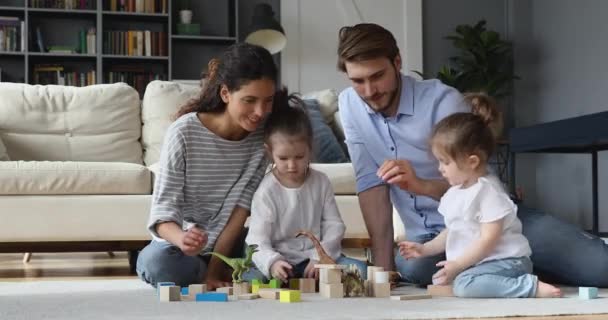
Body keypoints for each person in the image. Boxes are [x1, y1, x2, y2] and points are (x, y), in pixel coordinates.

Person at [337, 22, 608, 287]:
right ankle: (511, 268)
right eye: (358, 81)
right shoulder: (350, 105)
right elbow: (370, 184)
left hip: (495, 218)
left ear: (397, 62)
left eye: (377, 76)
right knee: (414, 266)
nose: (369, 91)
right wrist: (384, 273)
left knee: (599, 269)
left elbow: (478, 183)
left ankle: (515, 262)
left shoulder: (442, 101)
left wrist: (420, 185)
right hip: (437, 237)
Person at [136, 43, 278, 290]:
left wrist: (213, 270)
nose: (260, 112)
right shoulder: (184, 132)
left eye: (268, 101)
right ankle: (225, 276)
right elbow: (162, 215)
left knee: (273, 254)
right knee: (157, 263)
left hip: (229, 245)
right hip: (181, 249)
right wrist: (183, 239)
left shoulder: (260, 140)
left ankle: (212, 275)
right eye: (249, 100)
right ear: (225, 94)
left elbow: (238, 214)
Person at [399, 93, 561, 298]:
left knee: (465, 285)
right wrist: (424, 249)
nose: (440, 169)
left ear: (472, 162)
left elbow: (488, 240)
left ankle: (529, 287)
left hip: (507, 260)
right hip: (482, 262)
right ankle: (486, 281)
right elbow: (451, 232)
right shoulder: (456, 192)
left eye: (445, 162)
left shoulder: (488, 191)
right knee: (443, 280)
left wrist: (458, 265)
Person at [243, 91, 368, 282]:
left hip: (316, 257)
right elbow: (257, 240)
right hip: (282, 260)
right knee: (252, 279)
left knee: (362, 271)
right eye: (283, 158)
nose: (292, 165)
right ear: (270, 152)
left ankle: (312, 278)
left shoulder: (321, 182)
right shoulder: (266, 190)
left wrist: (320, 258)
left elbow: (334, 226)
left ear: (310, 148)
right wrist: (273, 262)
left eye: (299, 157)